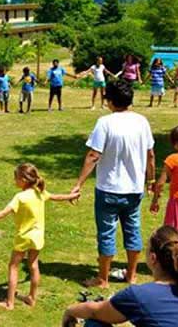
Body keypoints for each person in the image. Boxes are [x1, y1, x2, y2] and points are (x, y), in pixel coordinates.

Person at [70, 80, 155, 288]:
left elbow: (93, 155)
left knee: (106, 233)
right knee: (133, 230)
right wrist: (150, 180)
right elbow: (150, 155)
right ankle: (131, 275)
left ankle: (103, 279)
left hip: (108, 189)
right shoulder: (142, 121)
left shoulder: (105, 123)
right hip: (134, 189)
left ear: (109, 101)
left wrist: (79, 183)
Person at [0, 163, 79, 310]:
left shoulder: (20, 197)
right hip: (38, 237)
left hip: (23, 238)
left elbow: (3, 212)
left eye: (16, 178)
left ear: (23, 180)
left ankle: (10, 303)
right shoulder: (39, 192)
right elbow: (57, 197)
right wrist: (72, 196)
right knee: (33, 265)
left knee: (13, 266)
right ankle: (31, 298)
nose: (14, 181)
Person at [62, 226, 178, 327]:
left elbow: (94, 311)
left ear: (153, 258)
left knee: (95, 323)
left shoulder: (139, 295)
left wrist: (70, 311)